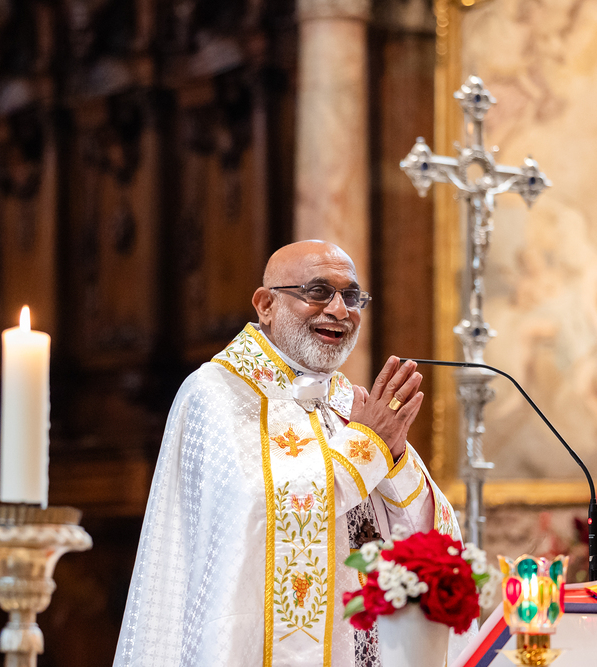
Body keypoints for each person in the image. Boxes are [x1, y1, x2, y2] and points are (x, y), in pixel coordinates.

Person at [114, 240, 465, 667]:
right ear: (266, 305)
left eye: (352, 296)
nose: (339, 309)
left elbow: (429, 533)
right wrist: (368, 447)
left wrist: (392, 458)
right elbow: (260, 509)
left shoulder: (348, 400)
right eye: (318, 291)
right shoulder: (216, 391)